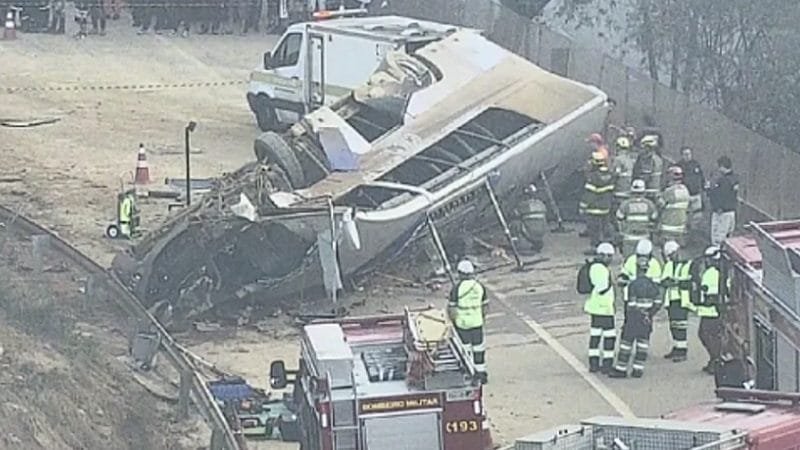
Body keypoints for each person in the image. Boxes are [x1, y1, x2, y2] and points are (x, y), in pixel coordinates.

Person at [609, 254, 661, 378]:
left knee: (626, 344)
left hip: (634, 319)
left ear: (638, 268)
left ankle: (621, 369)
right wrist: (649, 314)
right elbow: (658, 302)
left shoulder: (634, 284)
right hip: (646, 320)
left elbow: (631, 304)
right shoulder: (653, 285)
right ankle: (638, 369)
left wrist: (636, 314)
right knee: (642, 344)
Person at [448, 260, 489, 384]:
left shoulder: (457, 288)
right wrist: (480, 317)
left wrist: (452, 321)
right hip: (477, 322)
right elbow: (485, 306)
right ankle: (481, 373)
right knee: (479, 349)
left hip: (462, 323)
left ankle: (469, 373)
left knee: (465, 350)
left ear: (460, 273)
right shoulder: (479, 287)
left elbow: (452, 309)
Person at [583, 242, 617, 374]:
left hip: (595, 307)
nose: (610, 259)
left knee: (595, 335)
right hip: (604, 308)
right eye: (609, 256)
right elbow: (602, 288)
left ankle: (594, 363)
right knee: (609, 336)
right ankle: (607, 364)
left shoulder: (593, 267)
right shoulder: (601, 269)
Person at [660, 240, 696, 362]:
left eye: (673, 254)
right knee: (673, 325)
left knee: (681, 326)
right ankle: (676, 347)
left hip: (682, 300)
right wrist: (672, 282)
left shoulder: (688, 265)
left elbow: (690, 282)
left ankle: (682, 351)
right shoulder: (669, 265)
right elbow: (664, 281)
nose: (673, 257)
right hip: (671, 299)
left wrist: (676, 282)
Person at [580, 152, 616, 253]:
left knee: (594, 229)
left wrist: (583, 206)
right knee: (604, 228)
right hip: (605, 208)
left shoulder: (593, 177)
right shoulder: (610, 175)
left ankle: (595, 248)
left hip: (594, 208)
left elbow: (589, 194)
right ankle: (606, 246)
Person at [696, 246, 724, 374]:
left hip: (712, 311)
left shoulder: (712, 273)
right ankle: (714, 359)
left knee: (708, 336)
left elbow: (712, 294)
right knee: (706, 335)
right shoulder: (716, 272)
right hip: (709, 310)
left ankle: (716, 360)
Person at [615, 179, 657, 258]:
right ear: (644, 192)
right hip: (644, 237)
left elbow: (619, 218)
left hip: (629, 237)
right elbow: (654, 218)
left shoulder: (625, 204)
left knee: (628, 260)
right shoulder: (649, 204)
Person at [619, 239, 662, 307]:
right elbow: (623, 277)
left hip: (647, 299)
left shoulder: (655, 263)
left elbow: (657, 284)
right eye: (639, 256)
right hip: (630, 298)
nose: (642, 259)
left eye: (645, 256)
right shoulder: (631, 260)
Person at [707, 156, 739, 247]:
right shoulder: (734, 179)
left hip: (722, 212)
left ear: (722, 166)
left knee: (718, 237)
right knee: (729, 237)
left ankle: (716, 256)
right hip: (731, 211)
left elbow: (719, 195)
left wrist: (710, 190)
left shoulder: (723, 180)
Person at [657, 166, 690, 247]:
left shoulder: (669, 191)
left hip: (668, 227)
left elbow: (660, 205)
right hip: (681, 226)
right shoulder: (685, 190)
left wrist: (658, 196)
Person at [676, 147, 705, 231]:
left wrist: (702, 187)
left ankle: (694, 231)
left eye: (689, 154)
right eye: (686, 154)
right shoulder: (679, 166)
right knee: (685, 214)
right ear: (682, 155)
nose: (688, 156)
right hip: (685, 195)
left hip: (696, 194)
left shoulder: (695, 164)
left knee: (697, 215)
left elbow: (701, 177)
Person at [513, 184, 547, 253]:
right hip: (541, 231)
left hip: (530, 231)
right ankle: (535, 241)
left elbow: (514, 214)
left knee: (514, 224)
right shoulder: (541, 203)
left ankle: (515, 243)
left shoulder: (523, 204)